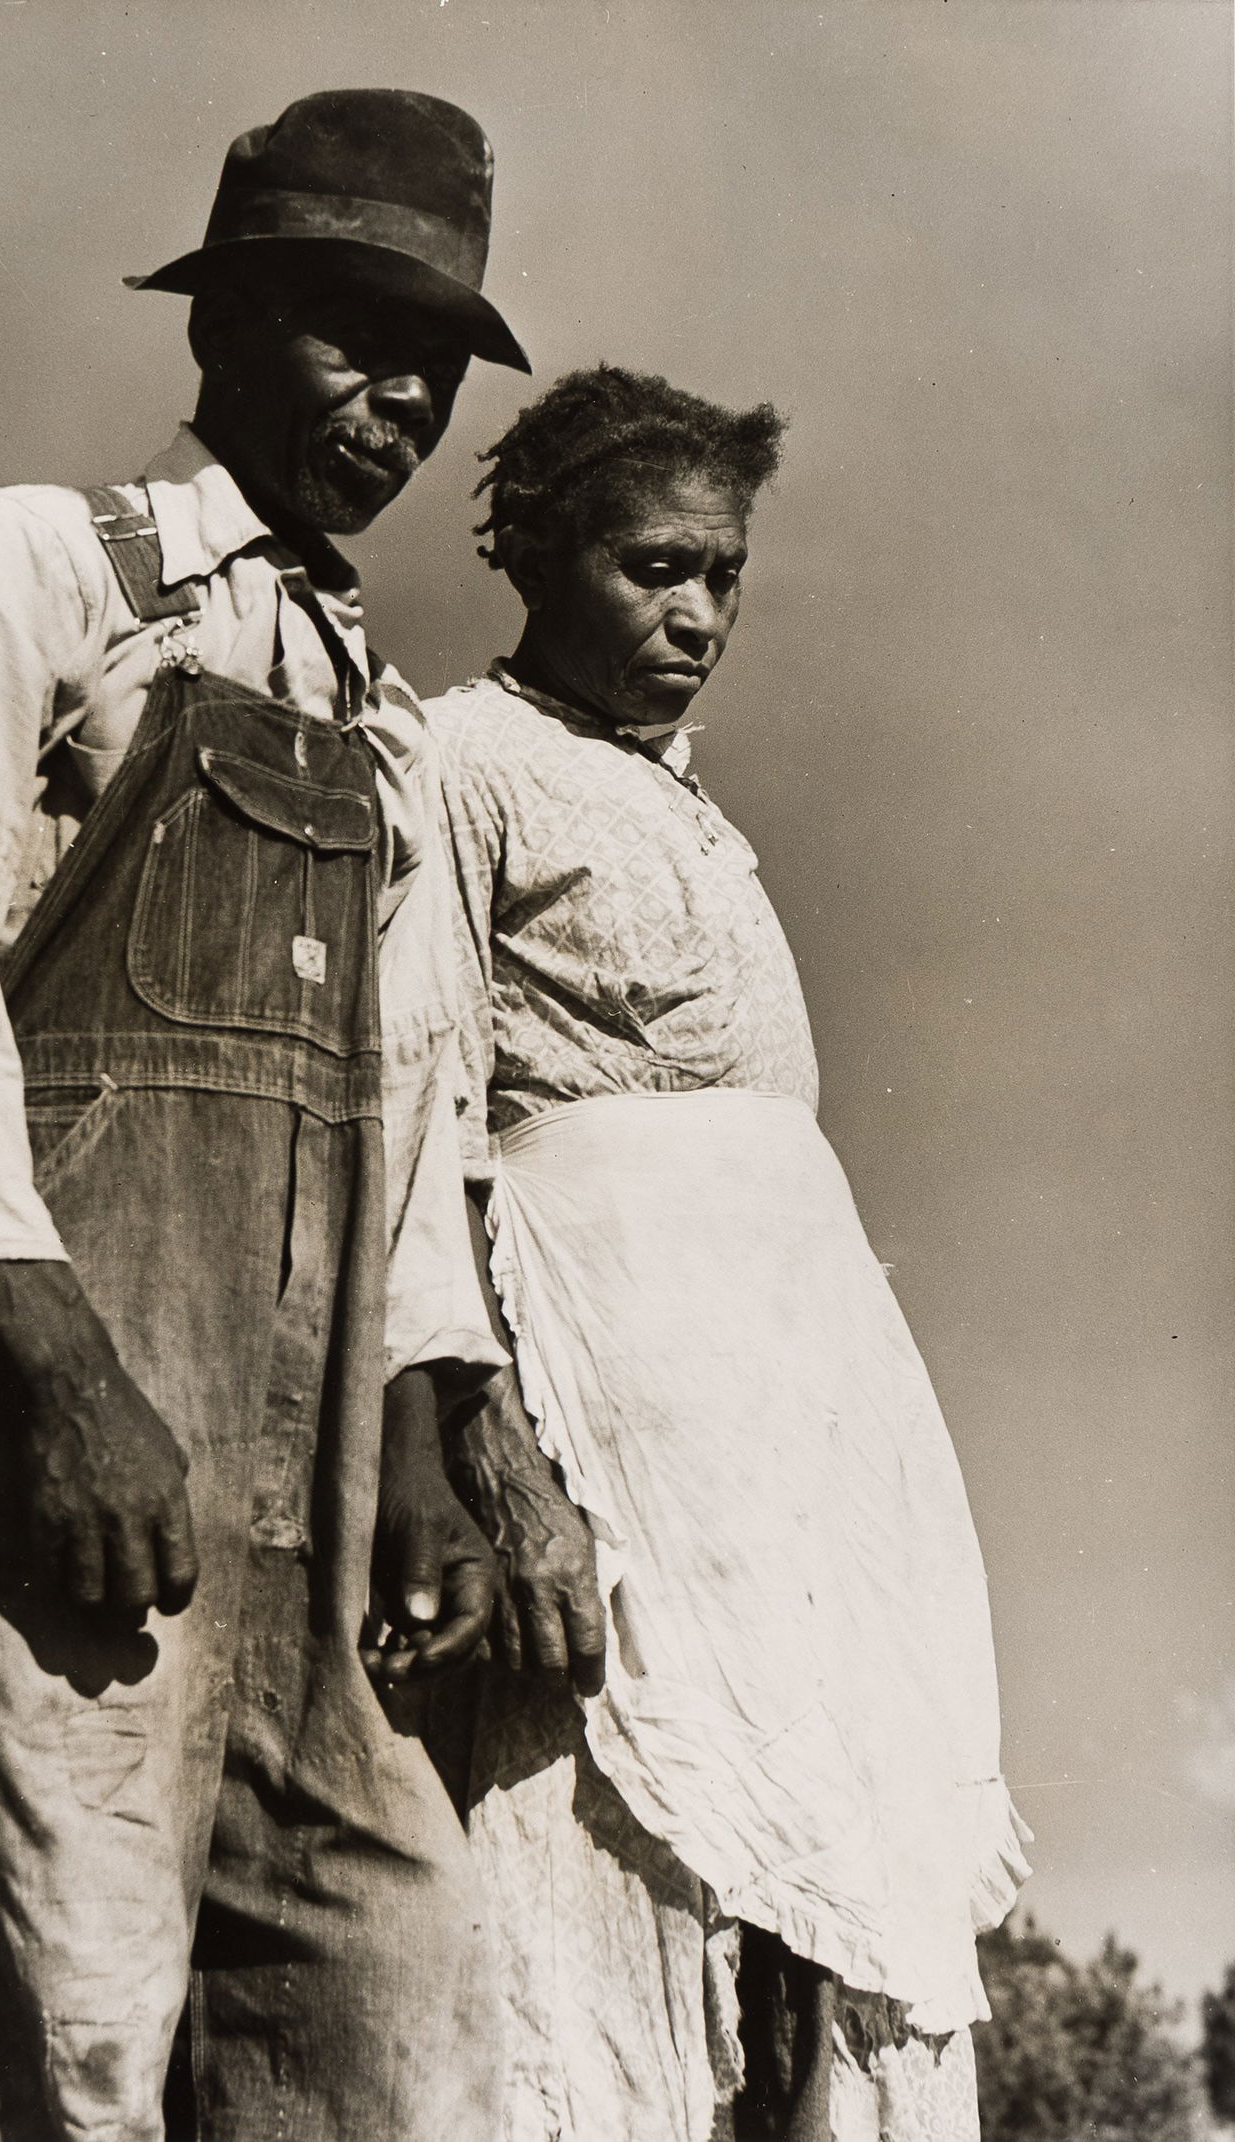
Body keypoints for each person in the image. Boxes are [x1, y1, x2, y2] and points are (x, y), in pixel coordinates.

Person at [0, 89, 532, 2142]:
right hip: (32, 1443)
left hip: (300, 1510)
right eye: (348, 328)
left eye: (435, 359)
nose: (396, 391)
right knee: (37, 2050)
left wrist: (422, 1436)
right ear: (219, 326)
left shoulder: (379, 718)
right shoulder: (32, 564)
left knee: (396, 2045)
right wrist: (56, 1372)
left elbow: (407, 1111)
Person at [422, 365, 1031, 2141]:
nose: (695, 615)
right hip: (612, 1394)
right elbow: (426, 1116)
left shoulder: (687, 801)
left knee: (824, 1910)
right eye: (651, 567)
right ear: (539, 554)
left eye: (725, 576)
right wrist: (500, 1459)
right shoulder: (464, 761)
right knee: (615, 1867)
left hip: (799, 1426)